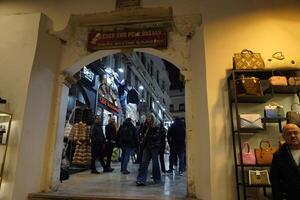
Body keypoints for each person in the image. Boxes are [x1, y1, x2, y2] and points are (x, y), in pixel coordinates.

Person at [270, 123, 300, 200]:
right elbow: (274, 180)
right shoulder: (278, 156)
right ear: (284, 137)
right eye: (289, 134)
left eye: (295, 132)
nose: (293, 136)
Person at [136, 113, 162, 186]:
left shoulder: (157, 125)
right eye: (147, 117)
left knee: (155, 163)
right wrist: (141, 138)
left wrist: (148, 135)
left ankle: (157, 179)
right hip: (146, 146)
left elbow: (158, 136)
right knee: (144, 163)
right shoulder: (144, 125)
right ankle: (141, 179)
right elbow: (141, 134)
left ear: (152, 118)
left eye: (149, 117)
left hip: (154, 146)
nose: (148, 119)